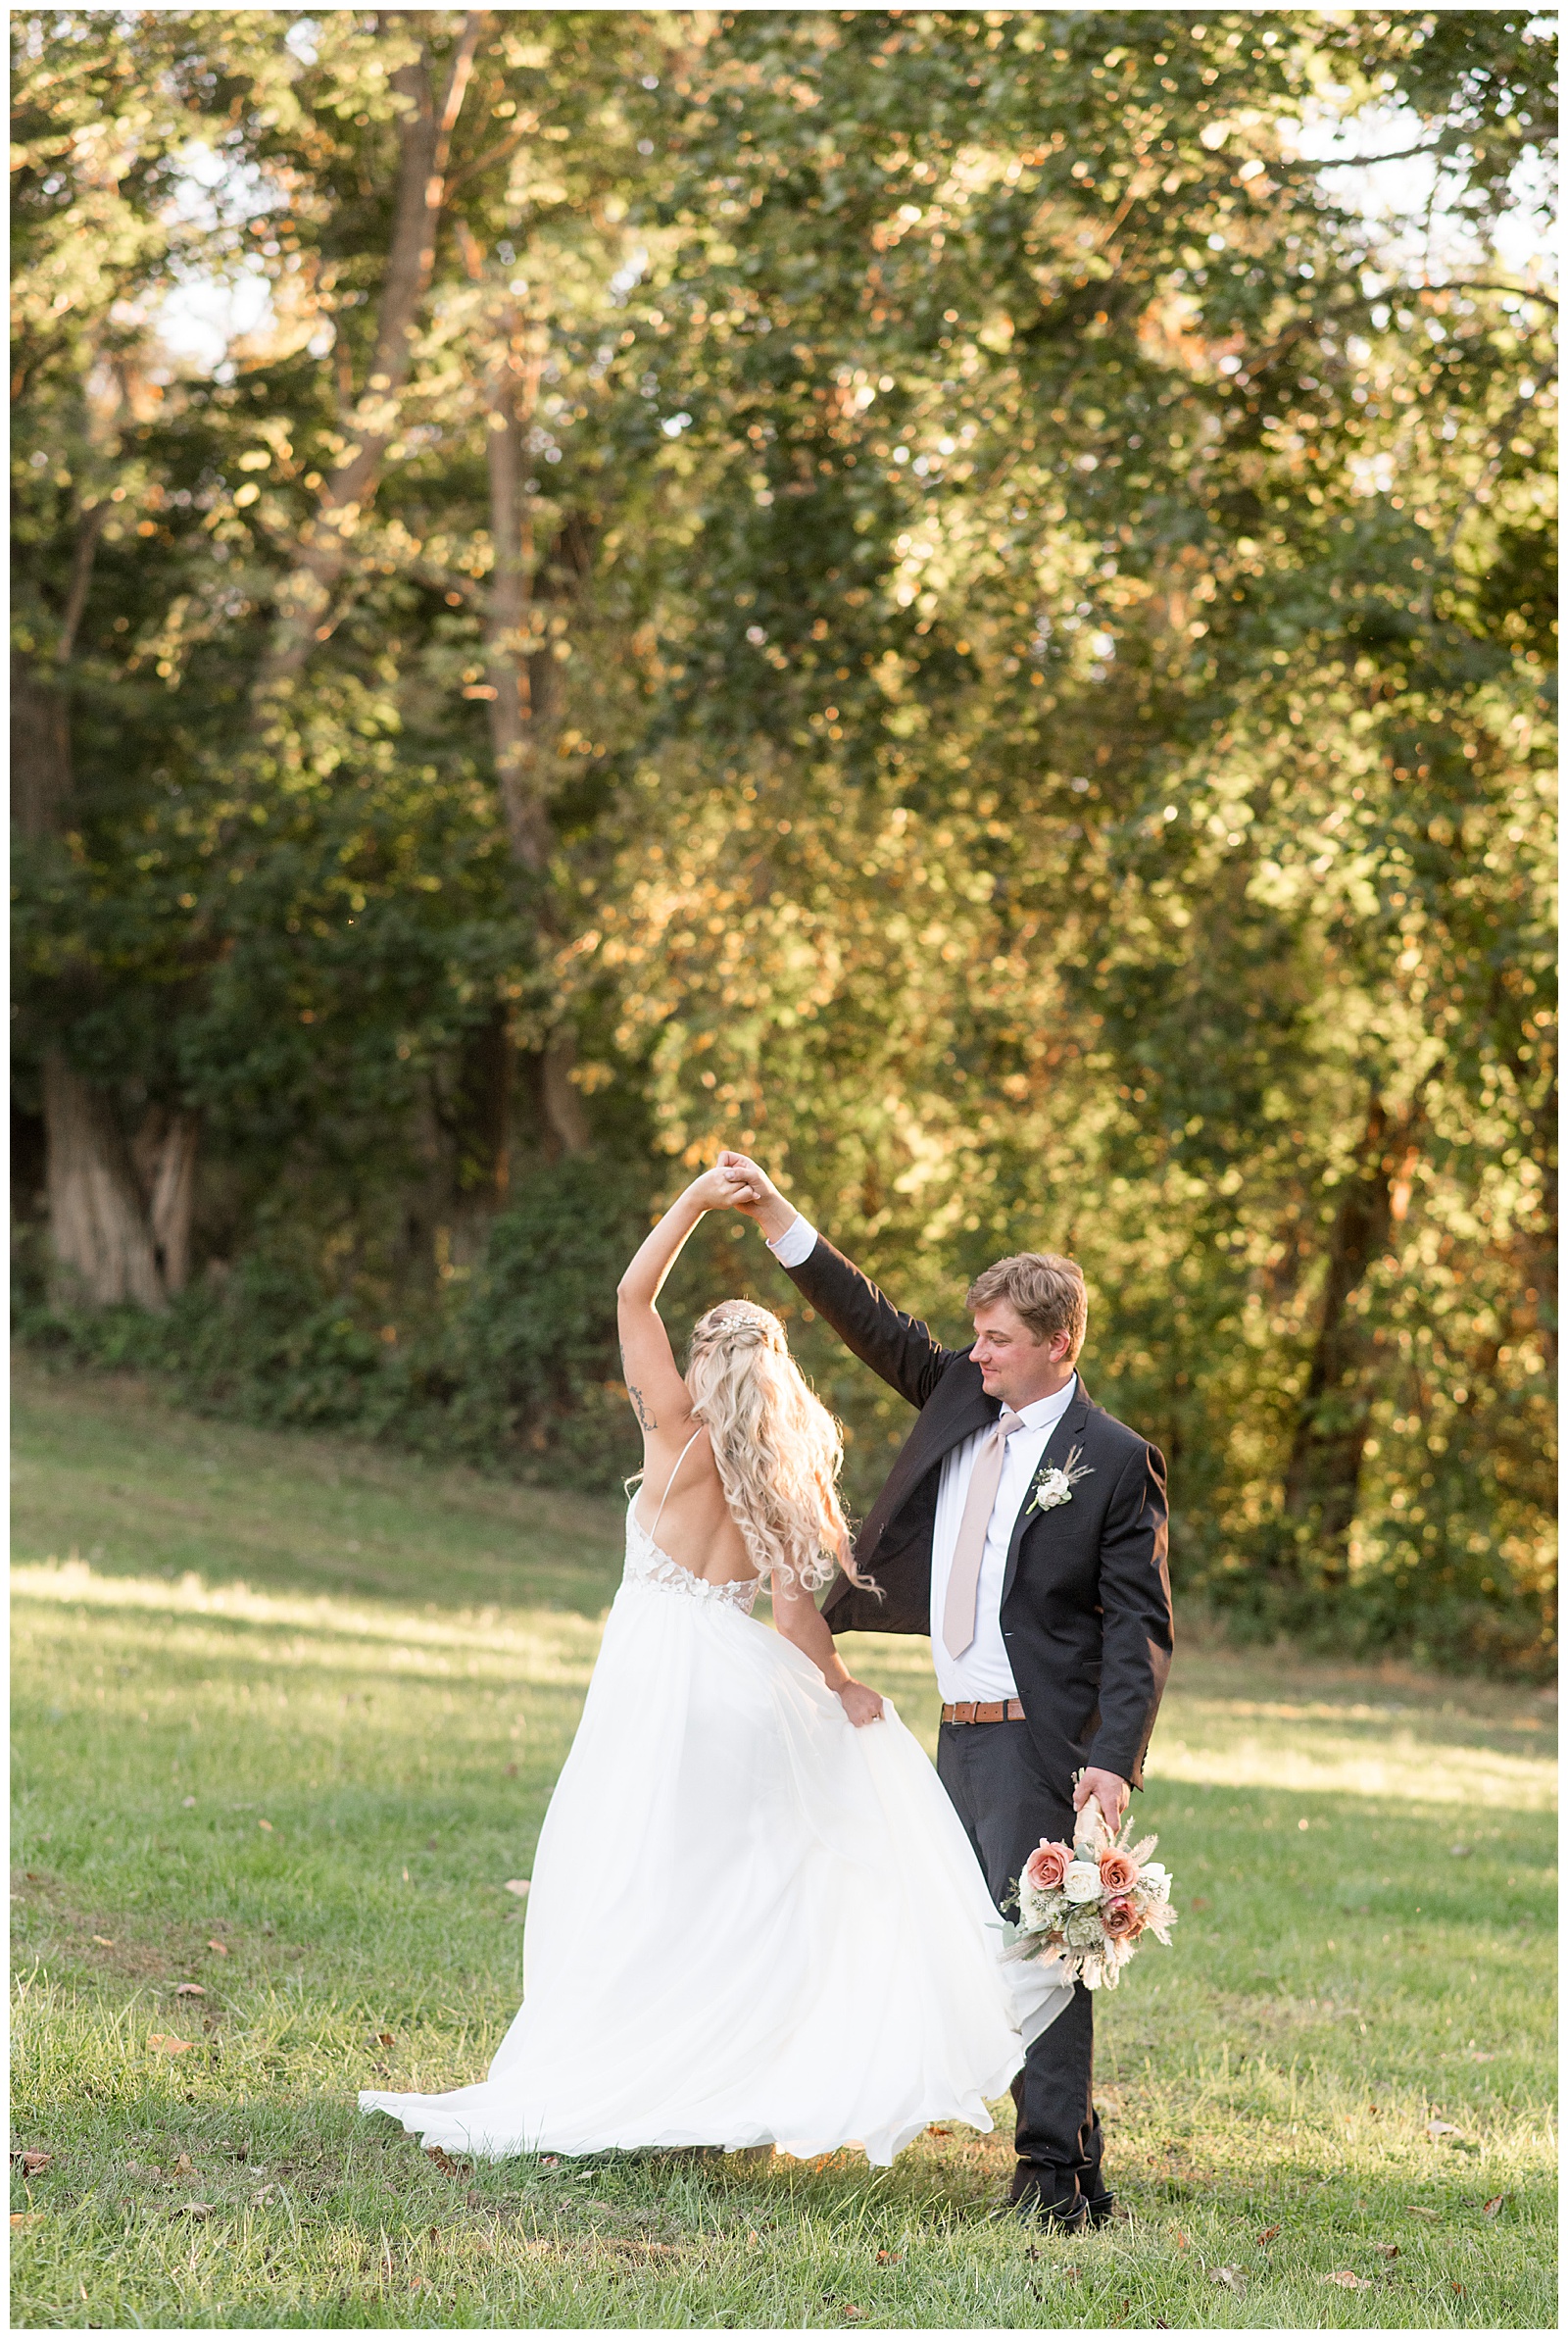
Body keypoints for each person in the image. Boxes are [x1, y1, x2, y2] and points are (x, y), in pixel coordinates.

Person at [360, 1164, 1024, 2167]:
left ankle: (638, 2069)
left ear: (704, 1362)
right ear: (778, 1371)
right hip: (743, 1690)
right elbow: (800, 1623)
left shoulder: (670, 1433)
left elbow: (632, 1294)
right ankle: (721, 2086)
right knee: (737, 1887)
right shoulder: (787, 1474)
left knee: (630, 1873)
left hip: (652, 1683)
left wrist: (692, 1203)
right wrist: (843, 1693)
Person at [718, 1152, 1173, 2229]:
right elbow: (873, 1322)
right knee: (977, 1935)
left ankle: (1051, 2173)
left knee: (1047, 1935)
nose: (978, 1353)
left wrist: (1109, 1762)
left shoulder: (1111, 1461)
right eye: (976, 1336)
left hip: (1042, 1739)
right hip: (954, 1732)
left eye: (1001, 1338)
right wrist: (780, 1216)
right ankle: (1074, 2151)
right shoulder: (963, 1392)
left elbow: (1140, 1629)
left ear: (1057, 1343)